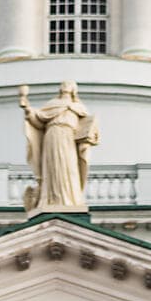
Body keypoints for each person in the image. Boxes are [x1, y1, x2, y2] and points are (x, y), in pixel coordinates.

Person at [19, 82, 100, 212]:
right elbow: (39, 122)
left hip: (68, 137)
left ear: (74, 90)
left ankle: (70, 199)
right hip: (52, 135)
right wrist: (29, 111)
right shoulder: (52, 104)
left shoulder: (79, 107)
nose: (65, 85)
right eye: (64, 84)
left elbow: (87, 126)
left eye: (69, 84)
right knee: (53, 166)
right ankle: (50, 199)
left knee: (69, 167)